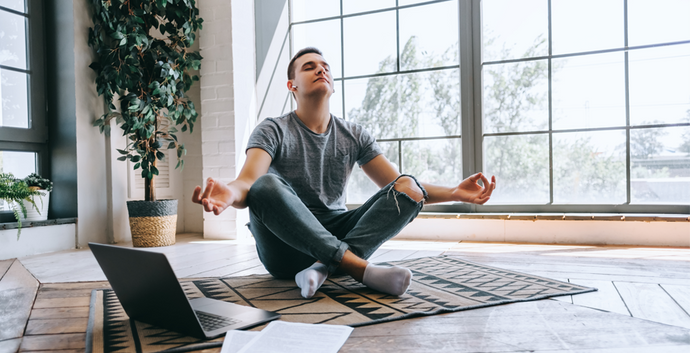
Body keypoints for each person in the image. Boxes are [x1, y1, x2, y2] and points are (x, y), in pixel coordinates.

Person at [192, 47, 496, 299]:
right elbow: (248, 182)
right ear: (292, 85)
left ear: (333, 84)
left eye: (325, 67)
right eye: (309, 67)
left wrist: (455, 193)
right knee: (266, 185)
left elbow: (397, 187)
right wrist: (230, 193)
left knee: (409, 186)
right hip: (284, 247)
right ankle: (360, 269)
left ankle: (323, 266)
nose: (320, 70)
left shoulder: (354, 134)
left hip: (337, 230)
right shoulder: (273, 129)